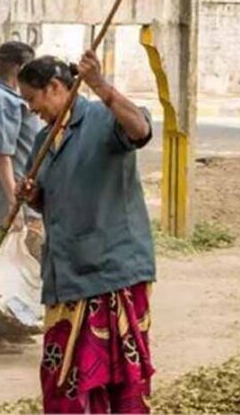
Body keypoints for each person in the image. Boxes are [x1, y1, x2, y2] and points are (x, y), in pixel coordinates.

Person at [16, 52, 155, 413]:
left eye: (33, 99)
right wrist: (33, 195)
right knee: (61, 378)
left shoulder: (103, 118)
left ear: (56, 87)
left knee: (119, 379)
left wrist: (101, 86)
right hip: (65, 274)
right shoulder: (44, 140)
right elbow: (53, 202)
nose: (31, 110)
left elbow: (140, 130)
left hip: (111, 271)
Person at [0, 41, 44, 354]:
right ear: (17, 66)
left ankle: (14, 325)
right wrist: (14, 204)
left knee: (20, 259)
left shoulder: (14, 99)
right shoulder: (0, 102)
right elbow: (2, 155)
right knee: (3, 259)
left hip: (21, 190)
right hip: (9, 193)